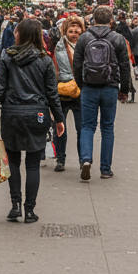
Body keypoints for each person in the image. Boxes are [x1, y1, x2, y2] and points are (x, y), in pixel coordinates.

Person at [0, 18, 64, 224]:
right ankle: (30, 210)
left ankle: (15, 206)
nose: (15, 34)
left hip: (12, 113)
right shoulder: (45, 59)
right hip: (37, 115)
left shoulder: (7, 56)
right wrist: (59, 118)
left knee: (12, 161)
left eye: (17, 31)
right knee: (32, 164)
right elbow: (52, 94)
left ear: (21, 34)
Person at [72, 5, 132, 181]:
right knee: (107, 127)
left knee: (87, 126)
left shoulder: (84, 38)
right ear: (111, 20)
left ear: (93, 19)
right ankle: (105, 169)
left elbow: (77, 65)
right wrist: (124, 89)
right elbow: (124, 66)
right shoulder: (118, 38)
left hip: (89, 87)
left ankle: (85, 159)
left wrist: (81, 85)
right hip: (110, 87)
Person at [52, 15, 85, 172]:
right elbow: (54, 69)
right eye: (71, 31)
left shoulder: (85, 45)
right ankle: (60, 159)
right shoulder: (58, 47)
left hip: (80, 92)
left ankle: (83, 159)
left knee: (82, 128)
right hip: (62, 91)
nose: (73, 34)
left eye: (76, 31)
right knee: (60, 128)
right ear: (65, 31)